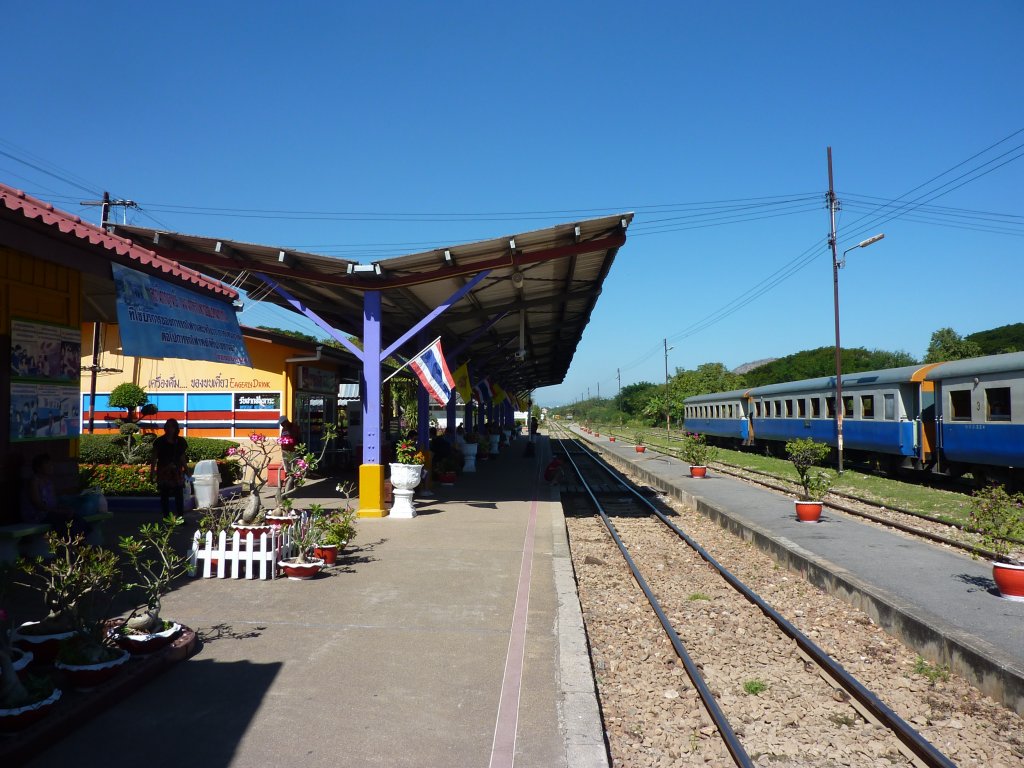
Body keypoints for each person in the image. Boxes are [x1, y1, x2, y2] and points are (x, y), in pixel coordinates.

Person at [21, 453, 87, 534]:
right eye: (47, 464)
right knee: (61, 519)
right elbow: (38, 504)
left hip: (49, 512)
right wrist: (57, 511)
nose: (51, 467)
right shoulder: (34, 482)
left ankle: (80, 540)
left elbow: (54, 502)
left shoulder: (49, 482)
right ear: (38, 468)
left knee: (74, 516)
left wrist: (64, 509)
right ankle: (70, 543)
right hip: (37, 515)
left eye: (51, 464)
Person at [151, 418, 188, 516]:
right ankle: (166, 516)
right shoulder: (159, 442)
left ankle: (180, 516)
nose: (168, 428)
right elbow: (154, 458)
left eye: (171, 426)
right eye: (166, 425)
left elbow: (182, 457)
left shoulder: (180, 441)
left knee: (179, 494)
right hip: (164, 471)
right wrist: (152, 472)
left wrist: (187, 469)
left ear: (175, 428)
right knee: (164, 494)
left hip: (176, 471)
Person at [278, 415, 301, 492]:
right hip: (285, 451)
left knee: (295, 468)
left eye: (282, 423)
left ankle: (296, 483)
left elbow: (296, 437)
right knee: (287, 468)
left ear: (286, 421)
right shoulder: (283, 429)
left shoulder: (294, 427)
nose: (281, 425)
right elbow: (282, 439)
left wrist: (289, 429)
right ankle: (289, 483)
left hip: (293, 450)